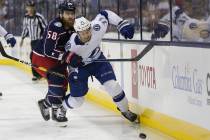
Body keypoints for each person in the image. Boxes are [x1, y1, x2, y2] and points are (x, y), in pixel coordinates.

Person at [62, 10, 138, 122]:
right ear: (77, 33)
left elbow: (105, 14)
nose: (87, 34)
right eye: (83, 33)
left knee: (113, 86)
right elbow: (62, 56)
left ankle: (125, 110)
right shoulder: (71, 45)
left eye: (88, 31)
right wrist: (70, 59)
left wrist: (121, 23)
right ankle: (62, 107)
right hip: (80, 68)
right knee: (78, 100)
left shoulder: (97, 27)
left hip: (98, 61)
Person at [32, 1, 76, 125]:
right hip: (41, 57)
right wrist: (67, 56)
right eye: (67, 13)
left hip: (57, 59)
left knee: (63, 84)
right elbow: (48, 50)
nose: (70, 16)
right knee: (58, 80)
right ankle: (49, 106)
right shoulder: (56, 26)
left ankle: (47, 106)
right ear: (61, 14)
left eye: (72, 13)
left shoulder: (74, 25)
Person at [20, 0, 47, 81]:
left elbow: (46, 28)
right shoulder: (26, 17)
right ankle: (37, 75)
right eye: (28, 7)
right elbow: (25, 29)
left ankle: (41, 74)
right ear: (26, 8)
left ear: (34, 7)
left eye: (32, 7)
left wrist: (45, 40)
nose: (30, 9)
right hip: (32, 41)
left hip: (40, 41)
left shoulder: (39, 17)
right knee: (33, 58)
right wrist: (22, 39)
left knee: (37, 57)